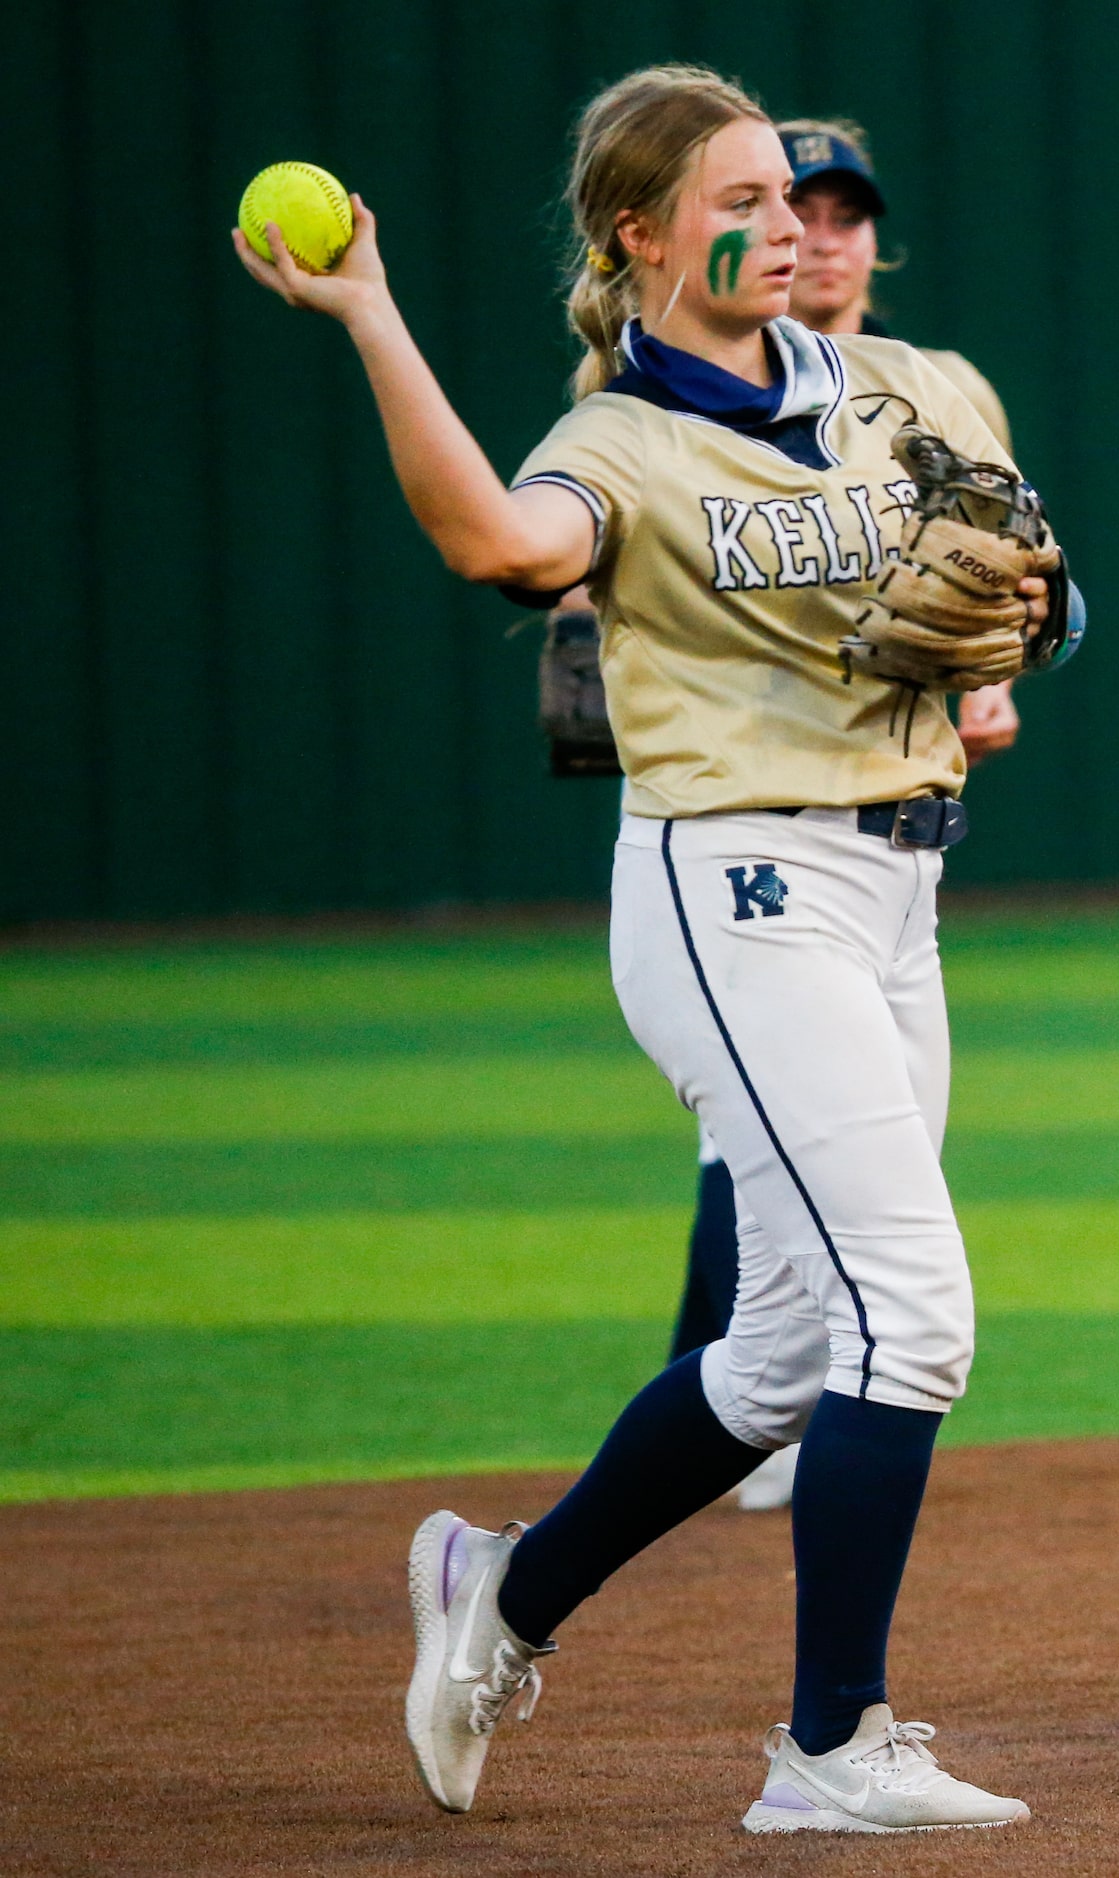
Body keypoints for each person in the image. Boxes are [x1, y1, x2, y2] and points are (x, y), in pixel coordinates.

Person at [235, 62, 1073, 1832]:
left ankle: (497, 1590)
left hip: (898, 887)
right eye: (740, 204)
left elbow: (1046, 583)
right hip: (735, 891)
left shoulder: (890, 394)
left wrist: (1020, 628)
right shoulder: (615, 442)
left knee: (780, 1352)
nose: (782, 230)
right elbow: (492, 543)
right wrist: (374, 314)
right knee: (910, 1314)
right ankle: (832, 1749)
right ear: (641, 234)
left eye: (790, 200)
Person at [675, 118, 1030, 1516]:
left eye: (842, 212)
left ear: (876, 237)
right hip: (741, 800)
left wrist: (984, 675)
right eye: (786, 208)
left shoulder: (935, 384)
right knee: (761, 1127)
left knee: (856, 1132)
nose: (819, 234)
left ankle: (755, 1395)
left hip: (889, 806)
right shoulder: (683, 378)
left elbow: (1001, 560)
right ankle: (742, 1396)